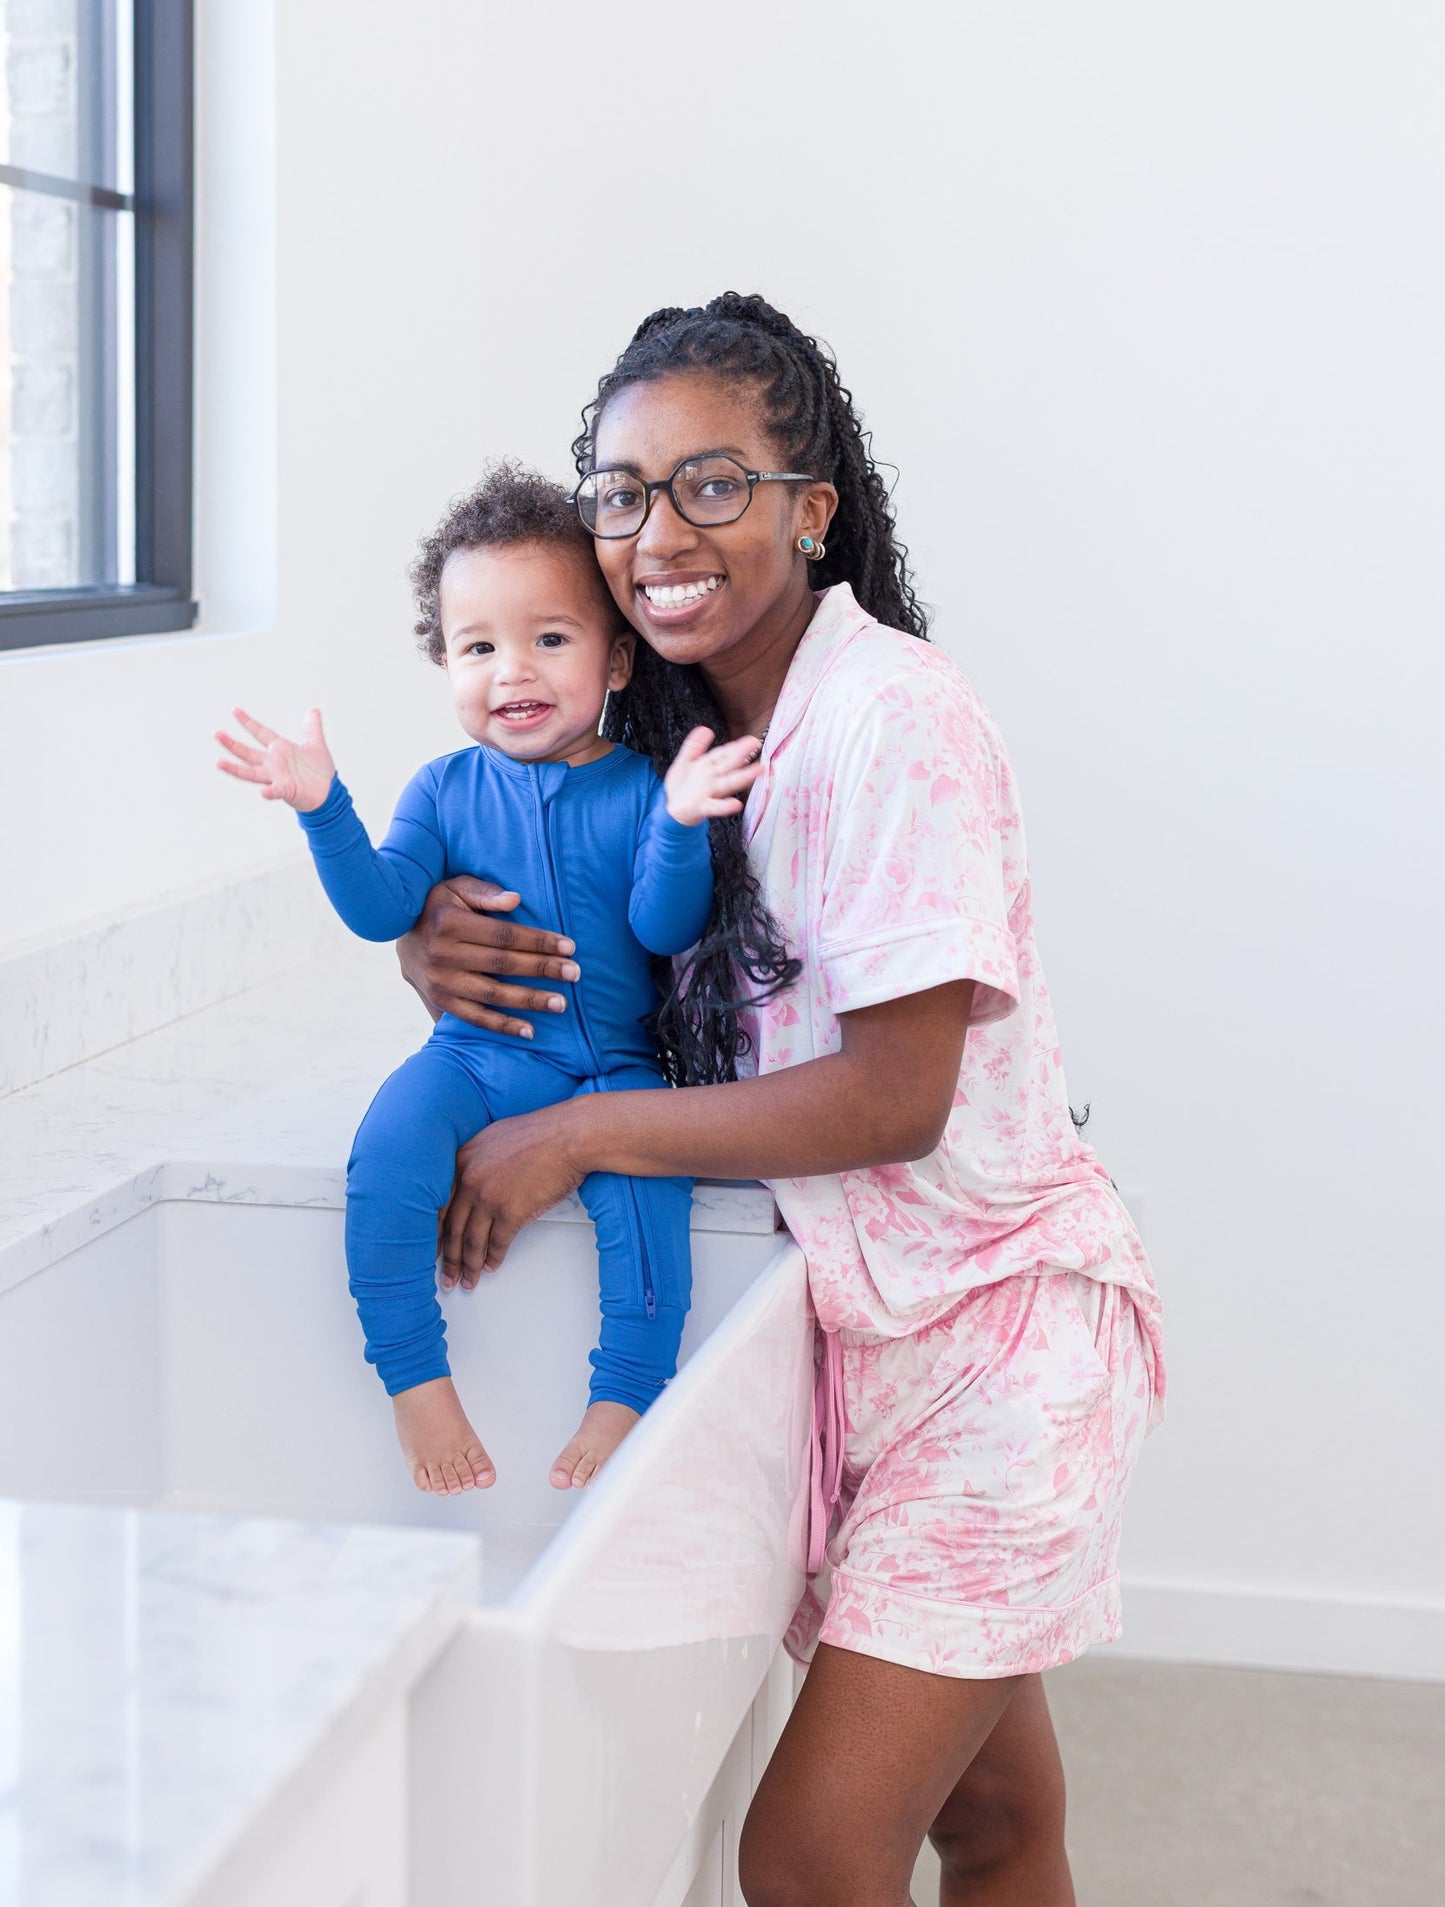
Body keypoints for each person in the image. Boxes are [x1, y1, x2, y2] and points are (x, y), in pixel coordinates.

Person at [398, 296, 1166, 1906]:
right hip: (847, 1347)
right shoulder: (680, 730)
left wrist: (577, 1129)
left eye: (712, 483)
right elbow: (579, 954)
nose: (655, 531)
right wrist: (433, 945)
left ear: (812, 508)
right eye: (620, 489)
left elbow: (895, 1095)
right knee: (996, 1825)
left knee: (810, 1855)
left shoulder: (890, 718)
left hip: (992, 1350)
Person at [215, 465, 762, 1498]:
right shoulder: (442, 787)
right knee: (384, 1150)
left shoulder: (642, 785)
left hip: (613, 1070)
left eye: (548, 638)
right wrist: (323, 807)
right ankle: (414, 1376)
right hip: (472, 1060)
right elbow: (382, 909)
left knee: (647, 1194)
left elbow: (662, 924)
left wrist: (683, 823)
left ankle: (625, 1393)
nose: (511, 668)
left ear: (614, 660)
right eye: (477, 646)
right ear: (446, 661)